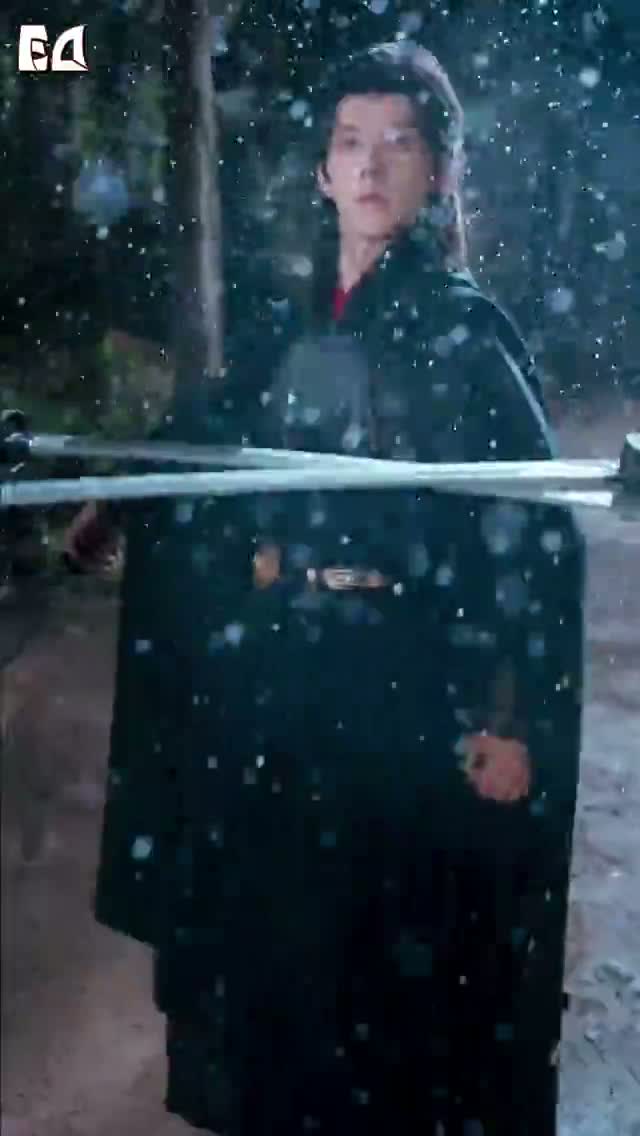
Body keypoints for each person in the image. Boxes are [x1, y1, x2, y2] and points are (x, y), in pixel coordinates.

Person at [93, 42, 585, 1136]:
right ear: (322, 170)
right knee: (279, 963)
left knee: (387, 976)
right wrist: (114, 497)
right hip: (285, 681)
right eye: (350, 143)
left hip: (404, 688)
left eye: (398, 144)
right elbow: (201, 443)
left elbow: (533, 537)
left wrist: (507, 717)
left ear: (438, 172)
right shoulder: (289, 322)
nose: (370, 166)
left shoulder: (465, 333)